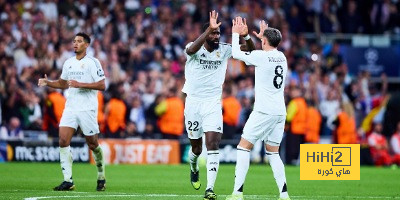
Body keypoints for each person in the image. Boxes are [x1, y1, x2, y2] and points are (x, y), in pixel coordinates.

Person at [182, 11, 255, 200]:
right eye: (213, 33)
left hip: (213, 103)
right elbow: (190, 51)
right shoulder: (193, 48)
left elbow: (250, 52)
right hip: (193, 103)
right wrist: (208, 31)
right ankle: (194, 165)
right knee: (196, 149)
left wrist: (245, 36)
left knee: (213, 144)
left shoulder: (224, 50)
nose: (216, 36)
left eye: (217, 33)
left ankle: (210, 189)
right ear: (205, 33)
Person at [226, 18, 290, 200]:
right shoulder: (282, 56)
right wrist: (261, 36)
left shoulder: (261, 57)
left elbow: (237, 53)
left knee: (243, 147)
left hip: (264, 110)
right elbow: (260, 53)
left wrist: (236, 33)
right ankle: (284, 194)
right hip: (279, 111)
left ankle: (237, 193)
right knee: (273, 152)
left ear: (264, 41)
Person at [38, 32, 106, 191]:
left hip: (87, 108)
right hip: (71, 107)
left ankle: (101, 174)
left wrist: (80, 84)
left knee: (93, 144)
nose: (75, 44)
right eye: (74, 41)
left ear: (86, 45)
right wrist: (48, 83)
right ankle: (68, 180)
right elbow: (63, 84)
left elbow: (102, 85)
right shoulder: (68, 63)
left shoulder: (93, 62)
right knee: (62, 140)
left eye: (79, 41)